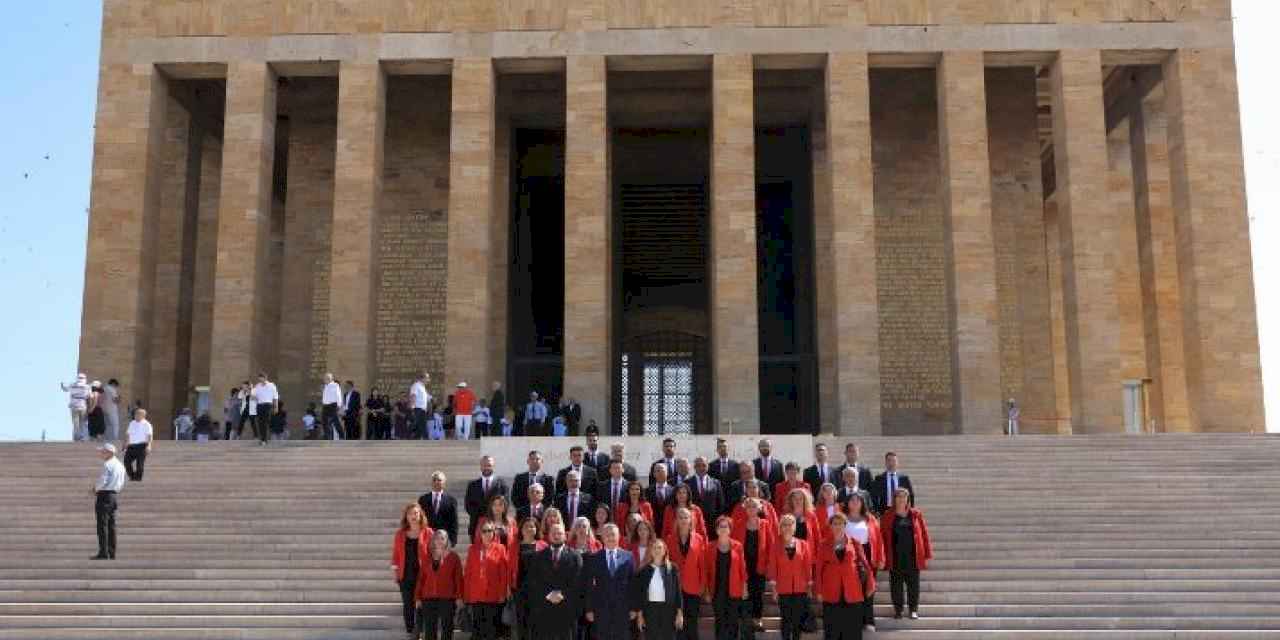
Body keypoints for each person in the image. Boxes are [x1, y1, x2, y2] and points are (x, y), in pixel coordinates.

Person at [816, 512, 874, 640]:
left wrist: (870, 584)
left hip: (852, 590)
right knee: (832, 629)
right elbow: (819, 569)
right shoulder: (823, 544)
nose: (838, 527)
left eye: (841, 524)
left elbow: (865, 564)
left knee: (852, 630)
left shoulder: (854, 542)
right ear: (830, 526)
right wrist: (819, 591)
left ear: (845, 525)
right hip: (831, 590)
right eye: (835, 524)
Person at [881, 487, 932, 620]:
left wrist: (927, 552)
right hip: (895, 557)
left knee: (913, 585)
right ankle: (898, 610)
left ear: (908, 499)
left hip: (913, 556)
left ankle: (913, 610)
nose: (901, 499)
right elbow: (882, 536)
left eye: (904, 496)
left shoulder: (915, 514)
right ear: (894, 499)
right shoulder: (887, 515)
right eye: (898, 496)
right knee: (896, 586)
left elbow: (924, 533)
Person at [529, 522, 584, 640]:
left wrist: (562, 594)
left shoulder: (575, 556)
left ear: (565, 535)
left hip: (567, 609)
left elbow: (578, 582)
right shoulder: (538, 556)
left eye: (559, 533)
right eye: (553, 533)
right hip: (544, 609)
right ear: (548, 535)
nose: (556, 535)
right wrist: (548, 594)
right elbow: (534, 580)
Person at [732, 497, 775, 632]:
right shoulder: (738, 524)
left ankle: (757, 620)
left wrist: (769, 564)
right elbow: (734, 546)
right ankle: (746, 620)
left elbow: (771, 545)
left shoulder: (765, 524)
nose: (751, 509)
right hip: (743, 565)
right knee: (745, 593)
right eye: (749, 506)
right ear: (745, 508)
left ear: (759, 509)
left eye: (754, 506)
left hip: (760, 564)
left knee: (758, 593)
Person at [463, 519, 511, 640]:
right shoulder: (472, 549)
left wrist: (502, 593)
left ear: (494, 532)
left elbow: (503, 574)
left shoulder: (500, 548)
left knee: (491, 630)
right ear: (480, 533)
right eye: (484, 531)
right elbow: (468, 573)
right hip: (476, 595)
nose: (487, 533)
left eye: (490, 530)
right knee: (477, 630)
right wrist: (466, 594)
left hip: (493, 595)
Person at [768, 514, 814, 640]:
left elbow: (807, 566)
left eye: (790, 524)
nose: (787, 527)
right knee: (786, 620)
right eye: (785, 524)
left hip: (800, 588)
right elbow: (772, 567)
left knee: (797, 621)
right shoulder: (775, 545)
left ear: (794, 527)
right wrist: (774, 589)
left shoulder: (803, 544)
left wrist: (809, 587)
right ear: (781, 527)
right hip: (783, 588)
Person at [586, 523, 635, 640]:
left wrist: (634, 607)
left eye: (613, 535)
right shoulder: (594, 558)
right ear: (602, 538)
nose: (610, 538)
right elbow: (589, 586)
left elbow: (633, 584)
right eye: (607, 535)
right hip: (601, 609)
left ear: (618, 537)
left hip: (622, 608)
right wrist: (589, 609)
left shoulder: (628, 556)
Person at [704, 516, 750, 640]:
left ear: (730, 529)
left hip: (734, 590)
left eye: (726, 526)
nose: (723, 529)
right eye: (720, 526)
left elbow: (742, 568)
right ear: (716, 529)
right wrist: (707, 591)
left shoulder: (738, 546)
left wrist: (744, 588)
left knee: (733, 622)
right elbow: (706, 570)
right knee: (720, 621)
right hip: (717, 590)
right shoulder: (709, 547)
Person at [391, 502, 432, 637]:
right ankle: (410, 632)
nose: (413, 516)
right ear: (406, 517)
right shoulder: (400, 534)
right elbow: (396, 555)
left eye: (416, 513)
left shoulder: (428, 532)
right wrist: (397, 574)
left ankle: (420, 631)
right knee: (408, 604)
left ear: (420, 515)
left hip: (424, 575)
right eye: (410, 514)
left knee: (422, 604)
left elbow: (434, 553)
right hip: (406, 575)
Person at [846, 493, 885, 632]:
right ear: (847, 503)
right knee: (852, 588)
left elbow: (878, 539)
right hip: (848, 555)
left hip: (867, 555)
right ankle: (854, 621)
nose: (855, 503)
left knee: (868, 589)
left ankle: (869, 621)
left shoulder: (870, 518)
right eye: (852, 500)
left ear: (863, 503)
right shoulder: (842, 518)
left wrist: (880, 558)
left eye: (858, 500)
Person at [665, 507, 706, 640]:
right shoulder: (670, 539)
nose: (683, 520)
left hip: (693, 587)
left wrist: (702, 586)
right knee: (677, 624)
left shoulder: (698, 539)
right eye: (680, 517)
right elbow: (666, 564)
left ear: (691, 520)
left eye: (686, 517)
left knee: (692, 623)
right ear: (676, 520)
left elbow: (702, 565)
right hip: (675, 588)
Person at [633, 538, 683, 640]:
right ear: (650, 551)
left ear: (665, 550)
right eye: (654, 548)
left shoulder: (672, 568)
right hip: (650, 610)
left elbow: (678, 592)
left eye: (660, 548)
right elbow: (639, 595)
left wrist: (679, 613)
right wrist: (640, 615)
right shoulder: (644, 571)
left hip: (668, 611)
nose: (657, 550)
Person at [417, 529, 462, 640]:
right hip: (428, 598)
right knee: (429, 630)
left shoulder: (454, 557)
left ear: (447, 541)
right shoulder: (427, 557)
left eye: (443, 538)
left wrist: (459, 597)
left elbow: (458, 578)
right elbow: (421, 579)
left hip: (447, 598)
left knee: (447, 629)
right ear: (433, 541)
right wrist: (417, 597)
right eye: (437, 538)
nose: (440, 541)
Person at [510, 517, 546, 640]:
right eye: (526, 526)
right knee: (521, 621)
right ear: (521, 530)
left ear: (536, 529)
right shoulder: (515, 546)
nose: (529, 529)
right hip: (520, 589)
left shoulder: (543, 545)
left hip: (538, 590)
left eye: (532, 526)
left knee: (537, 622)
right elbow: (510, 568)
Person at [90, 443, 126, 560]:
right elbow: (121, 482)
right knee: (112, 525)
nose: (101, 453)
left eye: (103, 451)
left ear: (110, 453)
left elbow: (103, 480)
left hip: (104, 495)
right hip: (114, 495)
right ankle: (112, 552)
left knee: (102, 525)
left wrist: (95, 488)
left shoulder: (107, 465)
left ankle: (103, 552)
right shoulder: (120, 465)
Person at [465, 456, 508, 539]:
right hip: (476, 526)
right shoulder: (472, 485)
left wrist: (492, 516)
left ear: (493, 466)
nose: (486, 468)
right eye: (484, 465)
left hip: (497, 527)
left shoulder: (502, 484)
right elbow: (468, 506)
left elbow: (506, 504)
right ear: (480, 466)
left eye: (489, 465)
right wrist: (482, 518)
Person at [418, 471, 460, 545]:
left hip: (443, 540)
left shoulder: (451, 500)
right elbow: (419, 520)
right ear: (431, 482)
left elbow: (454, 523)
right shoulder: (423, 499)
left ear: (444, 483)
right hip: (427, 539)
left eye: (439, 480)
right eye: (434, 480)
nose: (436, 482)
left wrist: (452, 541)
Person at [690, 457, 726, 524]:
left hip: (712, 522)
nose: (701, 468)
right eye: (698, 465)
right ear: (694, 467)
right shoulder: (687, 483)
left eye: (704, 465)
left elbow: (721, 504)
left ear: (708, 466)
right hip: (694, 521)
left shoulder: (716, 483)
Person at [122, 408, 153, 482]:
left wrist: (149, 445)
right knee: (126, 462)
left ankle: (138, 478)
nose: (135, 415)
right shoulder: (132, 423)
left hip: (142, 446)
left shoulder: (147, 424)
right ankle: (132, 476)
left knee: (140, 464)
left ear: (143, 415)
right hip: (131, 446)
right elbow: (128, 434)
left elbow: (149, 436)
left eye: (138, 414)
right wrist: (125, 443)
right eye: (135, 414)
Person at [61, 373, 92, 441]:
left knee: (75, 423)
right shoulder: (87, 387)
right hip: (83, 406)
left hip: (74, 407)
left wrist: (62, 385)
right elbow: (90, 397)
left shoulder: (72, 385)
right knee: (83, 423)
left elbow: (65, 389)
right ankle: (84, 437)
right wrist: (90, 408)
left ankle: (77, 437)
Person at [251, 372, 279, 446]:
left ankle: (264, 440)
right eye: (259, 378)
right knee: (260, 423)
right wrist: (251, 390)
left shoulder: (271, 385)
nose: (260, 379)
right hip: (260, 405)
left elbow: (275, 396)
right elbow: (254, 397)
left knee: (265, 422)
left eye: (261, 378)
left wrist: (276, 407)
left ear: (265, 378)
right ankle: (262, 439)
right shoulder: (257, 386)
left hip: (268, 405)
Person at [649, 463, 675, 533]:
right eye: (657, 471)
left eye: (662, 471)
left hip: (669, 526)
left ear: (667, 473)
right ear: (653, 474)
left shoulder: (674, 491)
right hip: (652, 527)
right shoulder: (647, 491)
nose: (660, 473)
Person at [321, 372, 342, 440]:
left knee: (336, 422)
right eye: (325, 378)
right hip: (325, 406)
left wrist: (339, 405)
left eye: (327, 378)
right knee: (325, 422)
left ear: (330, 378)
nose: (325, 379)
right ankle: (327, 438)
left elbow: (338, 395)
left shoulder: (335, 385)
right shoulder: (325, 386)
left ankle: (342, 436)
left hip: (332, 405)